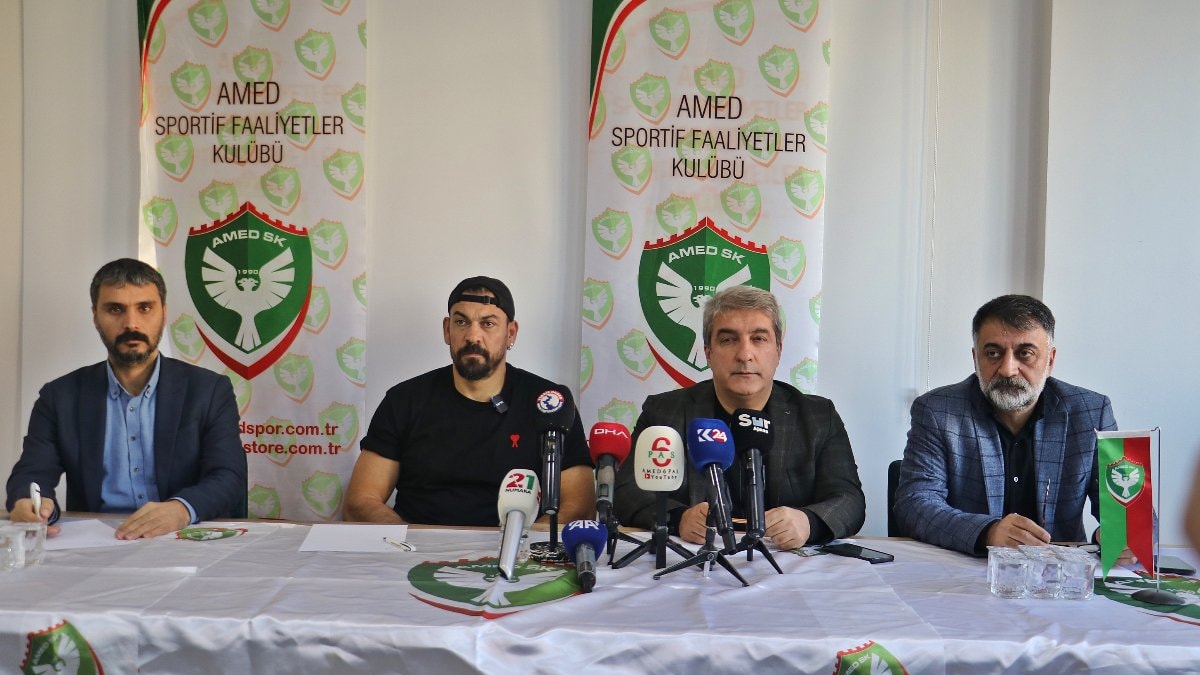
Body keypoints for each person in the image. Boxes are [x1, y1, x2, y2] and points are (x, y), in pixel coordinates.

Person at [4, 258, 247, 539]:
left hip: (184, 538)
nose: (131, 323)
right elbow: (32, 473)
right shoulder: (60, 397)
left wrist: (181, 509)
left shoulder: (208, 390)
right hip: (100, 542)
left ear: (164, 313)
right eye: (115, 309)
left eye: (145, 308)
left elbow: (229, 476)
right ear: (95, 316)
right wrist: (29, 503)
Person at [613, 285, 865, 550]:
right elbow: (626, 492)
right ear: (708, 353)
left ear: (778, 350)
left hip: (786, 562)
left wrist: (809, 522)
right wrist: (677, 518)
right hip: (697, 563)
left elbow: (849, 499)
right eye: (728, 340)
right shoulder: (664, 413)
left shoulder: (818, 417)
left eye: (759, 339)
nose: (745, 355)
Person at [345, 276, 594, 526]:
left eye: (488, 323)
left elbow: (580, 507)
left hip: (519, 546)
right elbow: (361, 501)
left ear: (510, 333)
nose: (473, 336)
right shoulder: (404, 400)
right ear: (447, 330)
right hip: (417, 544)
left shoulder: (550, 403)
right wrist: (408, 539)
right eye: (461, 322)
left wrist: (526, 542)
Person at [895, 294, 1117, 556]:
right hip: (969, 568)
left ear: (1050, 360)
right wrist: (987, 532)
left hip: (1059, 571)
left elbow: (1126, 509)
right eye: (993, 353)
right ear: (975, 358)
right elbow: (914, 504)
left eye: (1025, 353)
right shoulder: (937, 411)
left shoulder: (1092, 412)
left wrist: (1116, 534)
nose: (1007, 369)